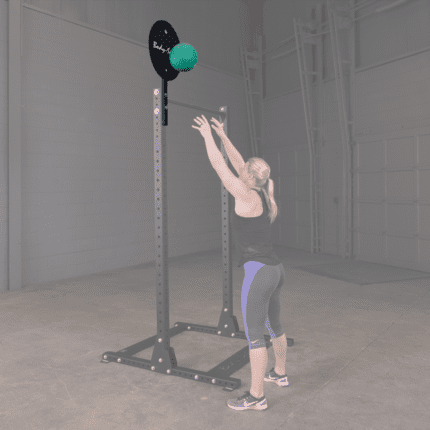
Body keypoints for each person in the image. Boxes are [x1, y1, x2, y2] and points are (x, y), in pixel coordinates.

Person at [192, 115, 288, 412]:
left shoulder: (244, 194)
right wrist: (223, 136)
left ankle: (257, 396)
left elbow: (221, 166)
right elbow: (238, 162)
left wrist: (207, 136)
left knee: (254, 336)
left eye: (245, 169)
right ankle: (280, 375)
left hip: (258, 273)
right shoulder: (260, 189)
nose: (242, 167)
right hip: (275, 270)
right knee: (275, 325)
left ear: (248, 176)